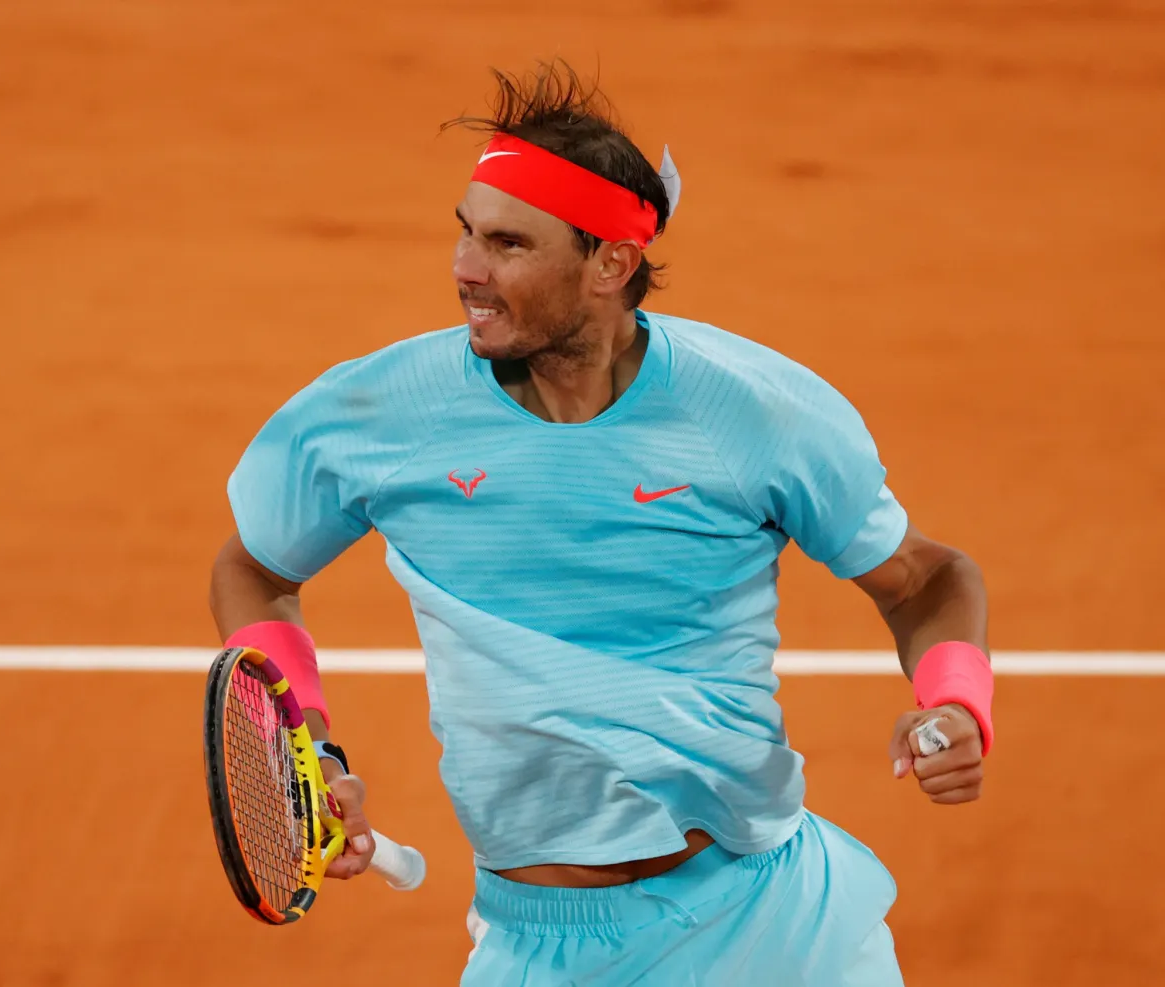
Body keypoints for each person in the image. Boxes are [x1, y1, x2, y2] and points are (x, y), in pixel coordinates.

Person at [209, 60, 993, 986]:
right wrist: (307, 747)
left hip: (772, 923)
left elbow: (927, 577)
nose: (465, 269)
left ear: (610, 265)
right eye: (464, 234)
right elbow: (254, 569)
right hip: (539, 947)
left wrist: (954, 697)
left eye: (508, 245)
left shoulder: (751, 412)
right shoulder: (384, 413)